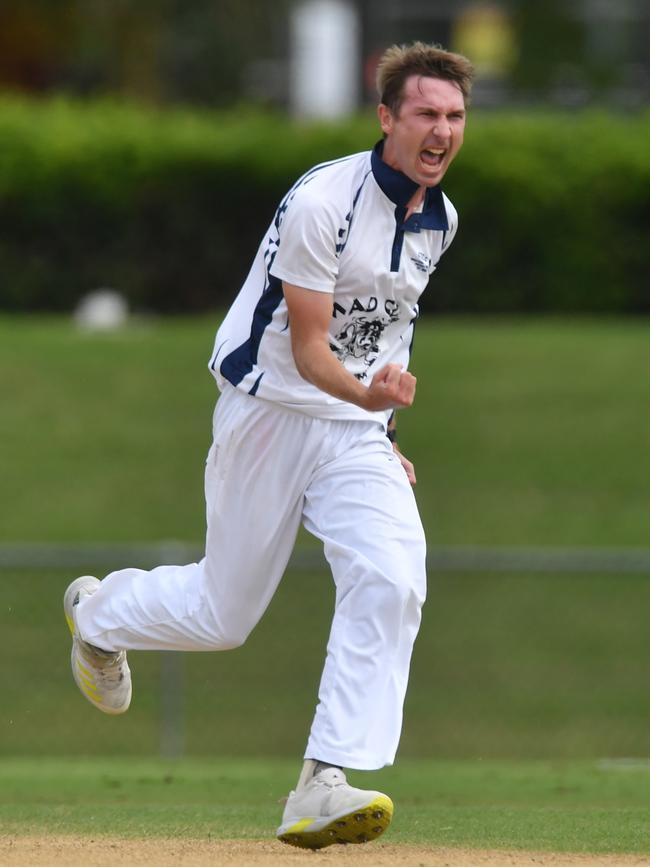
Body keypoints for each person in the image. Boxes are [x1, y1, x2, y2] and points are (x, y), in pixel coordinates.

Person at [64, 41, 474, 850]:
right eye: (426, 112)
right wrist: (370, 399)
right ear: (386, 117)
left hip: (353, 428)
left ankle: (324, 782)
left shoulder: (440, 218)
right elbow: (316, 346)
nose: (442, 130)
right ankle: (98, 613)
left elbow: (389, 332)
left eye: (456, 115)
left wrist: (381, 427)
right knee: (224, 614)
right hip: (269, 409)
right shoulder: (325, 200)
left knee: (394, 575)